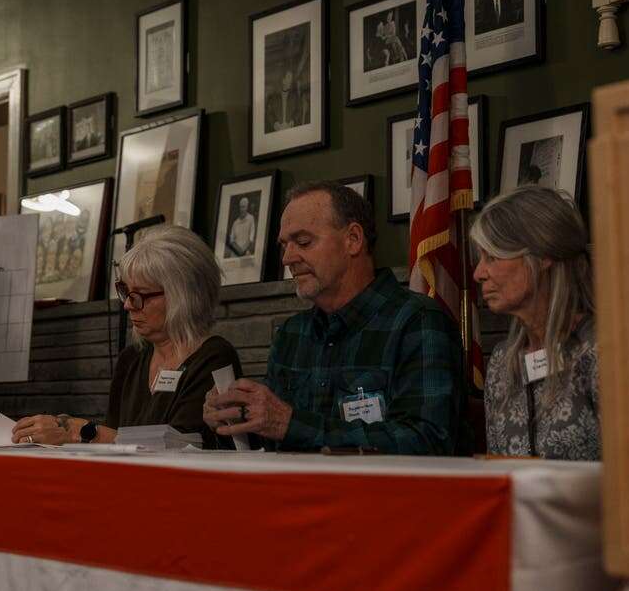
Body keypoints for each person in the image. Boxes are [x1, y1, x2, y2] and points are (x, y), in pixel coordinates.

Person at [204, 181, 466, 454]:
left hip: (382, 496)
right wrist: (234, 420)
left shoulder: (417, 321)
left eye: (303, 242)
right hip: (295, 493)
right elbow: (273, 439)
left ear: (353, 239)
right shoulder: (292, 333)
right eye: (285, 245)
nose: (287, 258)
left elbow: (427, 439)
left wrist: (291, 423)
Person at [13, 225, 241, 448]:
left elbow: (180, 447)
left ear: (183, 296)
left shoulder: (214, 357)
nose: (128, 305)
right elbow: (114, 442)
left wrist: (80, 432)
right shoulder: (131, 358)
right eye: (125, 292)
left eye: (140, 295)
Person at [470, 185, 599, 460]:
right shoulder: (502, 363)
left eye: (492, 257)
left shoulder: (600, 352)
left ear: (543, 257)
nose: (479, 273)